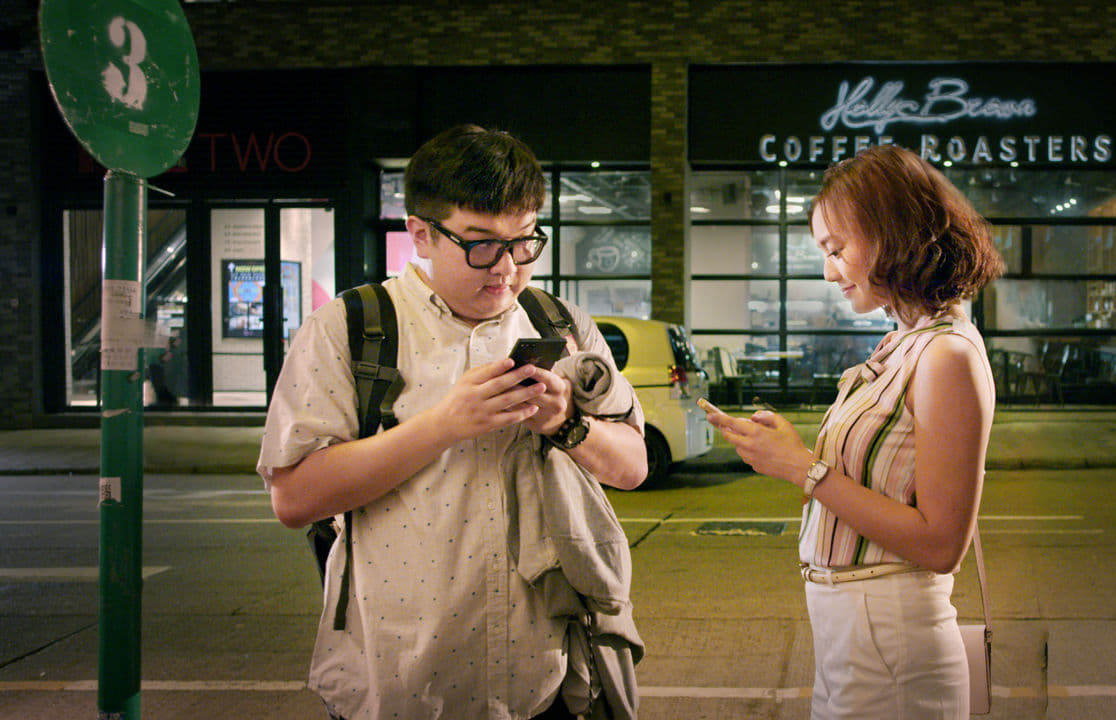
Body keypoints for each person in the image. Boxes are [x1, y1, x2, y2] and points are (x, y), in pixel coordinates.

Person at [258, 124, 648, 720]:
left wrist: (568, 423)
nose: (508, 270)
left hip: (545, 681)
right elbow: (293, 498)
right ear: (420, 234)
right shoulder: (351, 328)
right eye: (482, 245)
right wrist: (443, 425)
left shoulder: (559, 323)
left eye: (524, 242)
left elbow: (633, 466)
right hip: (399, 683)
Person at [705, 145, 1004, 719]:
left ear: (891, 235)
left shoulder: (946, 354)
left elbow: (942, 544)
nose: (829, 270)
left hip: (888, 637)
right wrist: (788, 448)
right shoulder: (904, 342)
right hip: (857, 633)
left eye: (837, 249)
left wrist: (801, 467)